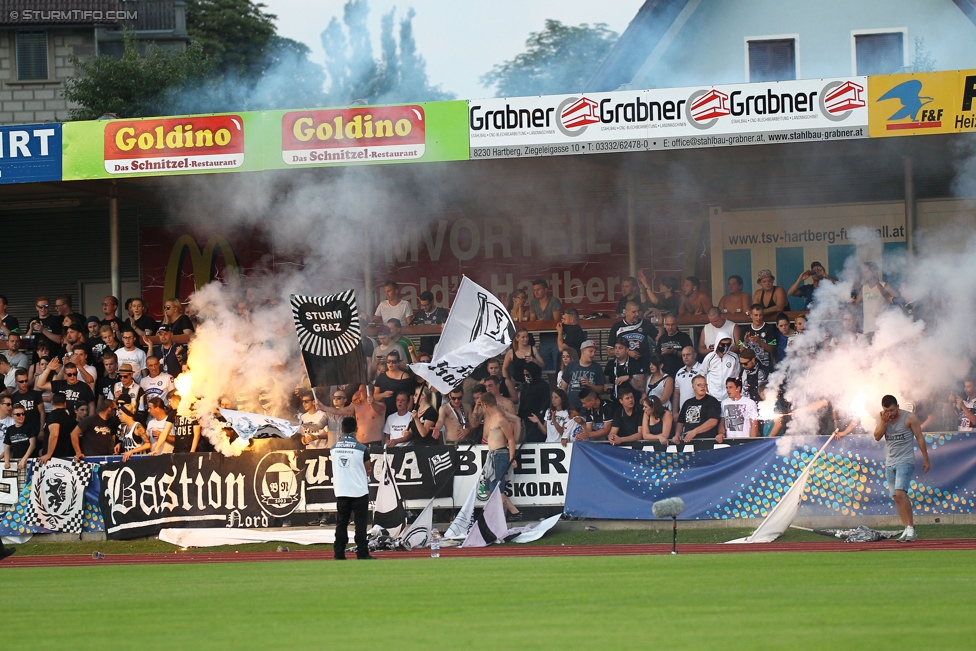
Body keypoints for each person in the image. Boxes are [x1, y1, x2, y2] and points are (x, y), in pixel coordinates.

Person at [873, 395, 930, 542]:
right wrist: (884, 422)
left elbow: (920, 437)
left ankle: (911, 528)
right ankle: (906, 528)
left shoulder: (909, 418)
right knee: (895, 497)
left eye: (892, 410)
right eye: (887, 411)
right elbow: (877, 436)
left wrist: (925, 458)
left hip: (905, 460)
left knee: (900, 492)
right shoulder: (882, 418)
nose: (890, 413)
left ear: (897, 406)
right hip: (890, 461)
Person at [331, 416, 374, 560]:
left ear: (342, 429)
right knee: (360, 524)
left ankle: (339, 553)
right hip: (359, 490)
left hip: (342, 490)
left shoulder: (334, 448)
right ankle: (362, 553)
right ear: (356, 430)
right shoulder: (362, 449)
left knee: (341, 523)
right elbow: (368, 469)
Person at [480, 392, 521, 520]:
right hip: (493, 455)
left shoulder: (500, 418)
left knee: (496, 490)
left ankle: (511, 513)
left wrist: (512, 457)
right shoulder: (492, 416)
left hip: (499, 454)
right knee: (488, 489)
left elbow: (510, 439)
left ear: (485, 405)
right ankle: (513, 512)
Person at [318, 384, 386, 447]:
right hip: (359, 443)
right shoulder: (356, 406)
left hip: (374, 443)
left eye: (361, 391)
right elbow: (339, 411)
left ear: (369, 391)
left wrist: (372, 403)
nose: (358, 393)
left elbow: (378, 409)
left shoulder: (381, 405)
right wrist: (323, 407)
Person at [608, 301, 658, 378]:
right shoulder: (617, 327)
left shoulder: (645, 323)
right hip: (625, 370)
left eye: (638, 311)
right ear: (626, 312)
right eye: (634, 312)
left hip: (645, 367)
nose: (637, 314)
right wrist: (627, 352)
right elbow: (610, 352)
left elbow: (659, 340)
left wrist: (661, 326)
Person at [854, 262, 898, 337]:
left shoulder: (885, 285)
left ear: (874, 272)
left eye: (866, 272)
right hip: (867, 330)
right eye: (863, 272)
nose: (864, 275)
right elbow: (854, 303)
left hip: (881, 329)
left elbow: (898, 300)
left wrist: (887, 314)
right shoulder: (864, 288)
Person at [527, 279, 563, 371]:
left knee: (558, 368)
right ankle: (552, 386)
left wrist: (543, 322)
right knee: (547, 369)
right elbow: (532, 321)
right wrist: (539, 322)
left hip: (556, 340)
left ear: (546, 290)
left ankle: (558, 386)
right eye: (534, 290)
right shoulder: (534, 302)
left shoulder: (554, 301)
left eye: (538, 289)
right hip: (543, 340)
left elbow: (557, 320)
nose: (536, 292)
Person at [674, 376, 722, 443]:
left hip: (706, 442)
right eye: (699, 385)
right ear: (693, 387)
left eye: (704, 384)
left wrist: (695, 431)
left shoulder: (712, 401)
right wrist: (677, 435)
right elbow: (680, 422)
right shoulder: (687, 403)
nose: (703, 387)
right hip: (688, 442)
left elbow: (713, 422)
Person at [559, 340, 605, 409]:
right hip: (572, 408)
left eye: (594, 352)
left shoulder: (597, 367)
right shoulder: (571, 365)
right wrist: (565, 404)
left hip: (590, 409)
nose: (593, 354)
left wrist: (590, 385)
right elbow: (563, 387)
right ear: (583, 351)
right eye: (591, 351)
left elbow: (602, 390)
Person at [373, 350, 416, 417]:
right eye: (388, 361)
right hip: (384, 413)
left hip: (400, 412)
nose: (391, 364)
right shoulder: (381, 377)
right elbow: (375, 396)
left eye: (394, 362)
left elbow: (411, 397)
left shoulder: (405, 377)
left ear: (398, 363)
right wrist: (383, 395)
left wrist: (407, 413)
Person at [699, 332, 740, 401]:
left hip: (729, 396)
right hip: (712, 396)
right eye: (723, 344)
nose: (725, 346)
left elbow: (736, 375)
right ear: (718, 343)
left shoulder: (734, 357)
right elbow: (702, 374)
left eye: (728, 344)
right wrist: (706, 389)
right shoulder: (709, 357)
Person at [738, 304, 778, 369]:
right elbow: (741, 352)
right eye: (756, 315)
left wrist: (759, 341)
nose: (758, 318)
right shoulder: (745, 329)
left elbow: (771, 349)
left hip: (765, 367)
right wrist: (746, 342)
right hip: (749, 367)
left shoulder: (770, 328)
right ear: (751, 315)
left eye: (760, 315)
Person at [604, 338, 641, 405]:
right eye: (615, 348)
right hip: (615, 402)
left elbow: (641, 386)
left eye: (620, 348)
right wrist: (607, 387)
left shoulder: (635, 364)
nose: (617, 350)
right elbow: (607, 381)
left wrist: (628, 377)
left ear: (627, 350)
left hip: (632, 402)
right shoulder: (610, 364)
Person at [4, 404, 37, 476]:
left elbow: (32, 445)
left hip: (29, 460)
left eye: (23, 414)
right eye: (18, 414)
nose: (21, 416)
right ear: (12, 415)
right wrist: (6, 461)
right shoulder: (10, 429)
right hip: (16, 461)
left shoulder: (29, 427)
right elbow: (7, 446)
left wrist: (24, 459)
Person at [412, 291, 448, 356]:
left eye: (426, 305)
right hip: (424, 351)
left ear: (432, 302)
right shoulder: (420, 314)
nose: (424, 307)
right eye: (422, 305)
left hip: (439, 349)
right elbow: (412, 326)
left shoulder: (441, 313)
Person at [674, 346, 702, 413]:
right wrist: (675, 412)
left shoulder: (702, 369)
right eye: (683, 355)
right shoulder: (679, 372)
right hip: (682, 412)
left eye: (688, 355)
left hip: (699, 411)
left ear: (694, 355)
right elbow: (676, 393)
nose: (685, 357)